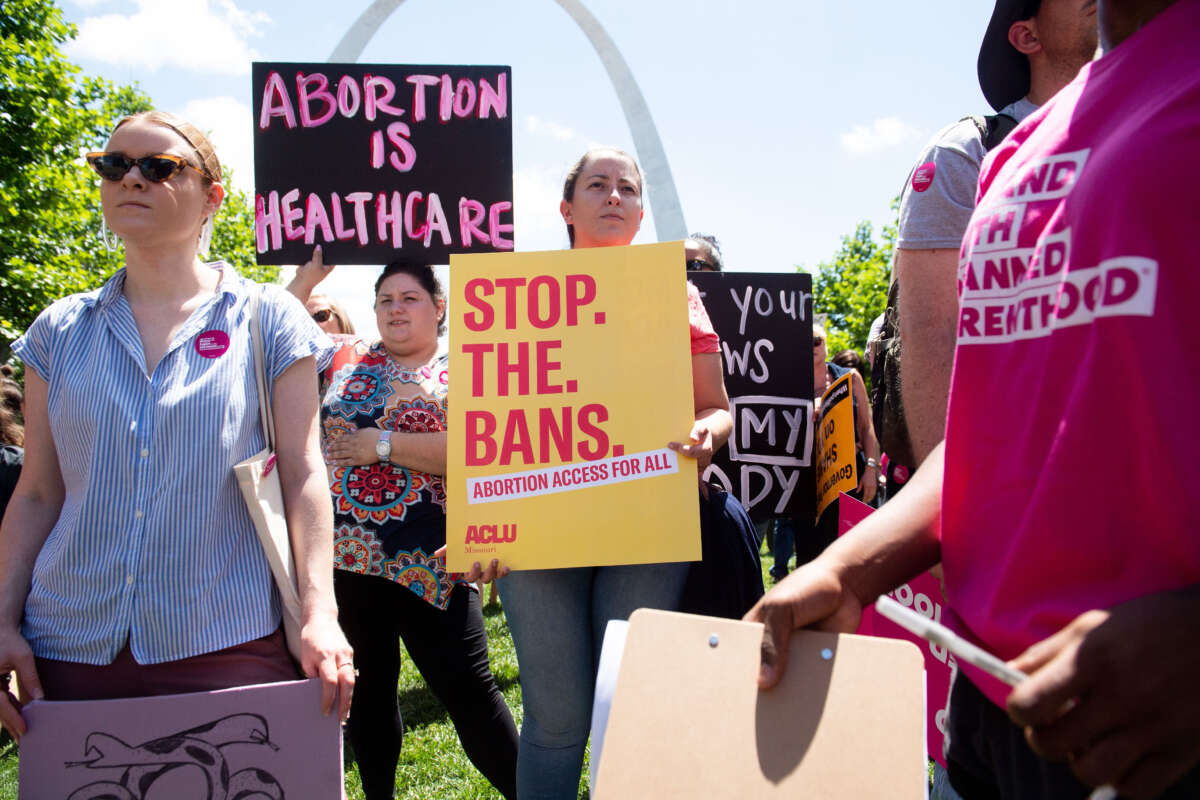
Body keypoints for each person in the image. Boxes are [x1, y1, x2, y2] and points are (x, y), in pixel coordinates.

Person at [748, 2, 1200, 798]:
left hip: (1157, 728)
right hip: (986, 710)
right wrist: (849, 568)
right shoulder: (1014, 150)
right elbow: (990, 435)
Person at [0, 111, 353, 741]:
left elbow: (303, 472)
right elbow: (37, 492)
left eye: (159, 167)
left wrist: (320, 613)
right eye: (114, 165)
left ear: (212, 196)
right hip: (68, 649)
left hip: (226, 643)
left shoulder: (268, 317)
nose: (130, 179)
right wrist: (0, 619)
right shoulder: (57, 331)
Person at [496, 146, 734, 799]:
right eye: (596, 186)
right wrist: (481, 529)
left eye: (626, 188)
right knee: (556, 720)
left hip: (647, 527)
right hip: (542, 539)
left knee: (625, 710)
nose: (612, 197)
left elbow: (716, 408)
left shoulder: (675, 294)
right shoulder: (510, 299)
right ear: (567, 208)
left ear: (640, 209)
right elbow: (484, 426)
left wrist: (705, 435)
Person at [288, 254, 518, 800]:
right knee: (367, 697)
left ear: (439, 308)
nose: (395, 309)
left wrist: (382, 446)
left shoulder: (468, 369)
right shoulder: (343, 355)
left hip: (432, 562)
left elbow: (482, 452)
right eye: (385, 299)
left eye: (409, 298)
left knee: (469, 693)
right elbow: (269, 327)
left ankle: (531, 793)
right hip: (349, 560)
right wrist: (308, 276)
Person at [891, 0, 1099, 469]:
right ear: (1027, 37)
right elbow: (933, 334)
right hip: (1017, 471)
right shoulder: (966, 153)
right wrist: (947, 509)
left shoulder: (1155, 132)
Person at [771, 324, 880, 580]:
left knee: (855, 554)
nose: (811, 347)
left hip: (851, 478)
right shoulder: (790, 384)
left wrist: (872, 470)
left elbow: (867, 427)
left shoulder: (850, 378)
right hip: (809, 485)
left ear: (826, 343)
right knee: (811, 559)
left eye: (816, 340)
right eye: (805, 341)